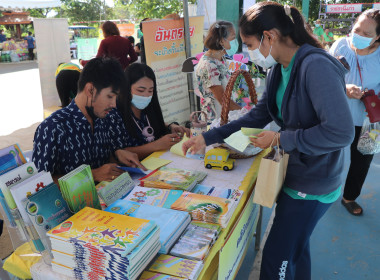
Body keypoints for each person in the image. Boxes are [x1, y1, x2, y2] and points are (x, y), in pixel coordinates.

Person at [183, 3, 354, 279]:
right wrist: (208, 137)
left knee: (277, 258)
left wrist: (280, 138)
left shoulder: (315, 66)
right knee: (296, 248)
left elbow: (341, 132)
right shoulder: (279, 69)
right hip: (298, 170)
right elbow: (258, 115)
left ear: (270, 36)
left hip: (314, 180)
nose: (248, 51)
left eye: (250, 43)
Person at [32, 57, 145, 183]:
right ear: (90, 90)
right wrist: (92, 175)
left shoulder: (106, 117)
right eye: (110, 96)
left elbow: (110, 154)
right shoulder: (53, 128)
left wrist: (118, 154)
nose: (113, 104)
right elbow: (38, 185)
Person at [329, 9, 380, 216]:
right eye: (357, 29)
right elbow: (323, 76)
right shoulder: (340, 45)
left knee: (362, 160)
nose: (359, 35)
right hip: (335, 115)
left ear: (378, 37)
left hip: (368, 120)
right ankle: (322, 191)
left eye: (367, 34)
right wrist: (344, 89)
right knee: (326, 155)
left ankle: (349, 197)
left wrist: (370, 97)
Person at [117, 63, 190, 160]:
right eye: (140, 90)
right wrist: (156, 145)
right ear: (127, 88)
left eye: (150, 91)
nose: (146, 95)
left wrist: (170, 126)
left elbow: (153, 124)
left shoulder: (149, 108)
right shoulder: (116, 114)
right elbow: (119, 154)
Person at [195, 21, 242, 122]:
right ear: (221, 41)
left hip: (225, 118)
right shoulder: (209, 65)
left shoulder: (221, 59)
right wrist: (244, 112)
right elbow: (223, 100)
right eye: (233, 38)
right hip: (214, 123)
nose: (236, 42)